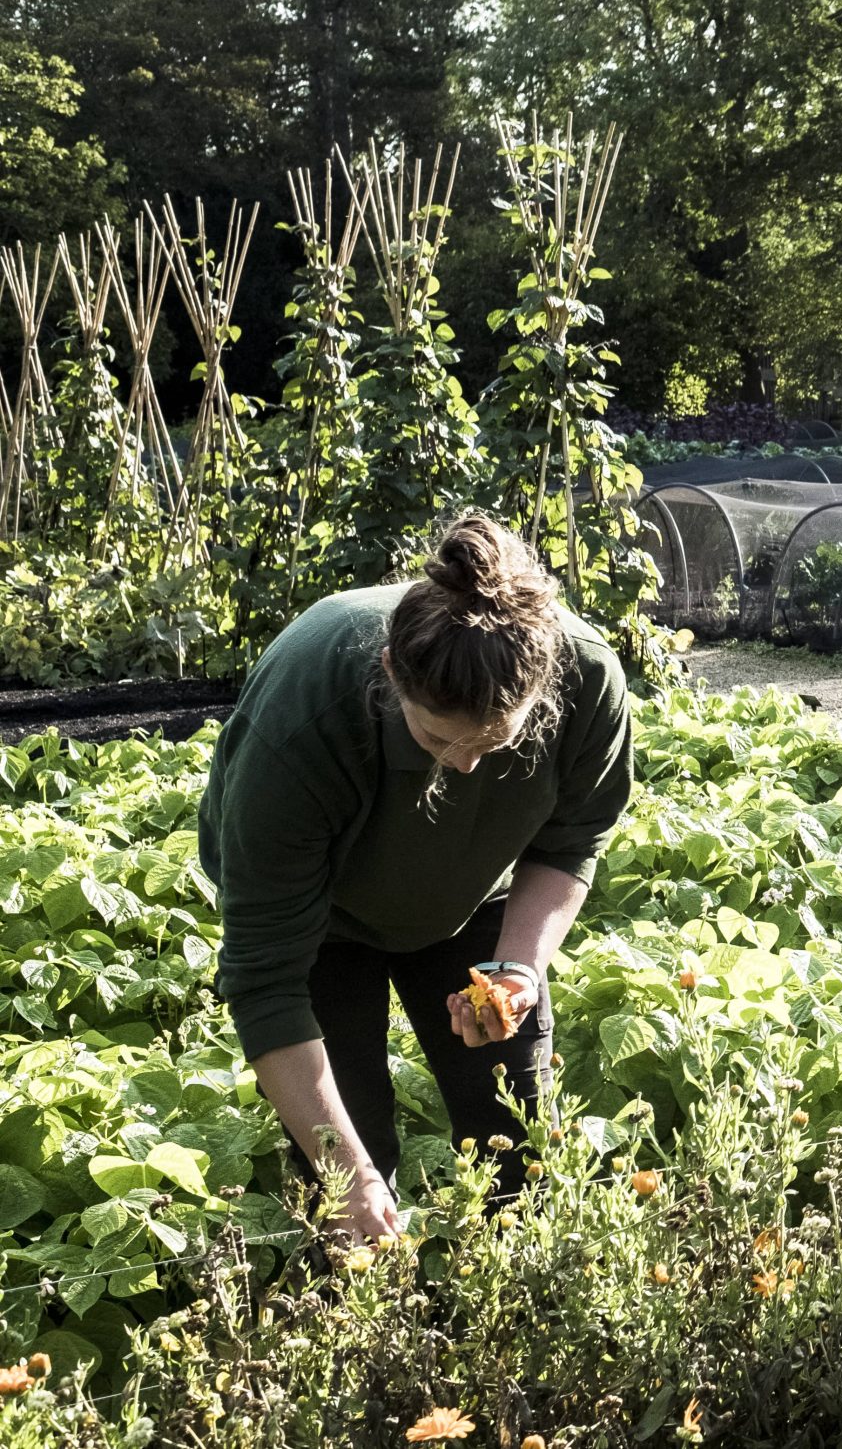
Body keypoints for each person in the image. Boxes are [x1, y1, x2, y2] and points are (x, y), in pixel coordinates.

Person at [202, 516, 635, 1239]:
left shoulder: (588, 679)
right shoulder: (304, 718)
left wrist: (519, 967)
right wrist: (350, 1175)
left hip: (475, 899)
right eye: (436, 736)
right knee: (344, 1167)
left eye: (495, 741)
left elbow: (572, 839)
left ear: (542, 691)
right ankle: (361, 1323)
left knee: (518, 1138)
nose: (465, 764)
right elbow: (266, 980)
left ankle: (515, 1307)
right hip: (323, 925)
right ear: (393, 673)